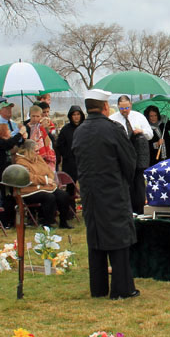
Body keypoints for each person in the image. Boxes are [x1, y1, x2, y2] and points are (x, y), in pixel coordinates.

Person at [73, 89, 139, 300]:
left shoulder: (80, 131)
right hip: (112, 189)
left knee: (96, 238)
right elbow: (129, 160)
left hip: (89, 192)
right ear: (104, 107)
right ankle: (122, 289)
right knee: (118, 238)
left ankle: (98, 287)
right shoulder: (113, 129)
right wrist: (125, 182)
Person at [13, 139, 74, 229]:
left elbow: (48, 171)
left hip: (45, 187)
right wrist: (44, 179)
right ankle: (47, 223)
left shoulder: (38, 158)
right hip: (30, 191)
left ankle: (63, 222)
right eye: (36, 151)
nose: (38, 153)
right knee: (49, 197)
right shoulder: (20, 162)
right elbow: (29, 177)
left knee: (63, 195)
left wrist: (48, 179)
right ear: (28, 151)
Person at [110, 96, 152, 214]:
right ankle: (127, 209)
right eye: (122, 108)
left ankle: (140, 209)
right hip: (122, 156)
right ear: (118, 106)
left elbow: (150, 134)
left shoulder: (139, 117)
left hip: (138, 155)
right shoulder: (112, 119)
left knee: (139, 183)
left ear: (131, 105)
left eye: (127, 108)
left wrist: (141, 131)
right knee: (126, 184)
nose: (125, 110)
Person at [0, 123, 26, 228]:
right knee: (5, 196)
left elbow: (14, 144)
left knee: (11, 196)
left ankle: (12, 220)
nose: (9, 132)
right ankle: (4, 221)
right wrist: (20, 133)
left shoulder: (5, 142)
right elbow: (9, 144)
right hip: (3, 173)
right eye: (8, 130)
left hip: (9, 172)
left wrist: (22, 138)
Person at [54, 106, 84, 194]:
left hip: (83, 161)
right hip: (70, 162)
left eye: (78, 114)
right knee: (70, 187)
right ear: (70, 116)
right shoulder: (65, 130)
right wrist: (67, 155)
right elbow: (60, 145)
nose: (76, 117)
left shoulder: (85, 128)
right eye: (74, 115)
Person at [23, 105, 57, 169]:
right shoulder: (25, 127)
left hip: (44, 156)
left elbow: (51, 140)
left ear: (41, 116)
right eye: (33, 116)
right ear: (29, 115)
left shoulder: (43, 126)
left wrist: (46, 130)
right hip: (30, 155)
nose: (35, 118)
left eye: (37, 116)